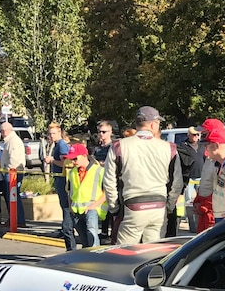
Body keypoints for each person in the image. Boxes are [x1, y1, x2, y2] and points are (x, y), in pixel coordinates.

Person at [103, 106, 183, 244]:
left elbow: (109, 181)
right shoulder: (169, 148)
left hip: (132, 204)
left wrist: (114, 208)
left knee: (126, 254)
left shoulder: (119, 146)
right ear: (153, 124)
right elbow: (177, 182)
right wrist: (169, 206)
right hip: (159, 205)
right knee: (154, 253)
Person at [64, 142, 107, 248]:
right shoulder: (72, 173)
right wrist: (71, 207)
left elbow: (108, 192)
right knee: (85, 241)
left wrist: (94, 205)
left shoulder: (99, 171)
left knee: (92, 236)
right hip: (77, 211)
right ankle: (88, 261)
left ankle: (95, 260)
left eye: (75, 159)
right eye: (71, 159)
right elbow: (70, 191)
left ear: (84, 156)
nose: (73, 162)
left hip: (92, 209)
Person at [43, 122, 74, 249]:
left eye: (54, 133)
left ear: (59, 133)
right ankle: (66, 231)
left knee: (67, 209)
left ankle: (69, 238)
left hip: (64, 182)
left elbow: (65, 163)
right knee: (65, 208)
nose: (52, 136)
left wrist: (51, 160)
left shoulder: (61, 145)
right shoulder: (57, 145)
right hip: (60, 181)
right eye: (50, 133)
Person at [175, 126, 207, 233]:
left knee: (202, 200)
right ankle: (191, 223)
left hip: (202, 177)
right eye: (194, 135)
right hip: (189, 178)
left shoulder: (202, 146)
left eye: (198, 135)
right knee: (188, 202)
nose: (196, 137)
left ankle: (199, 222)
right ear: (188, 135)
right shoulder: (183, 146)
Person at [0, 122, 27, 227]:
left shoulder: (13, 141)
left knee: (13, 197)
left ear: (6, 130)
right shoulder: (9, 141)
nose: (1, 133)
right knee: (11, 196)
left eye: (1, 131)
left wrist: (7, 170)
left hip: (12, 173)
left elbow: (13, 159)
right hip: (11, 172)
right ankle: (14, 219)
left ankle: (18, 220)